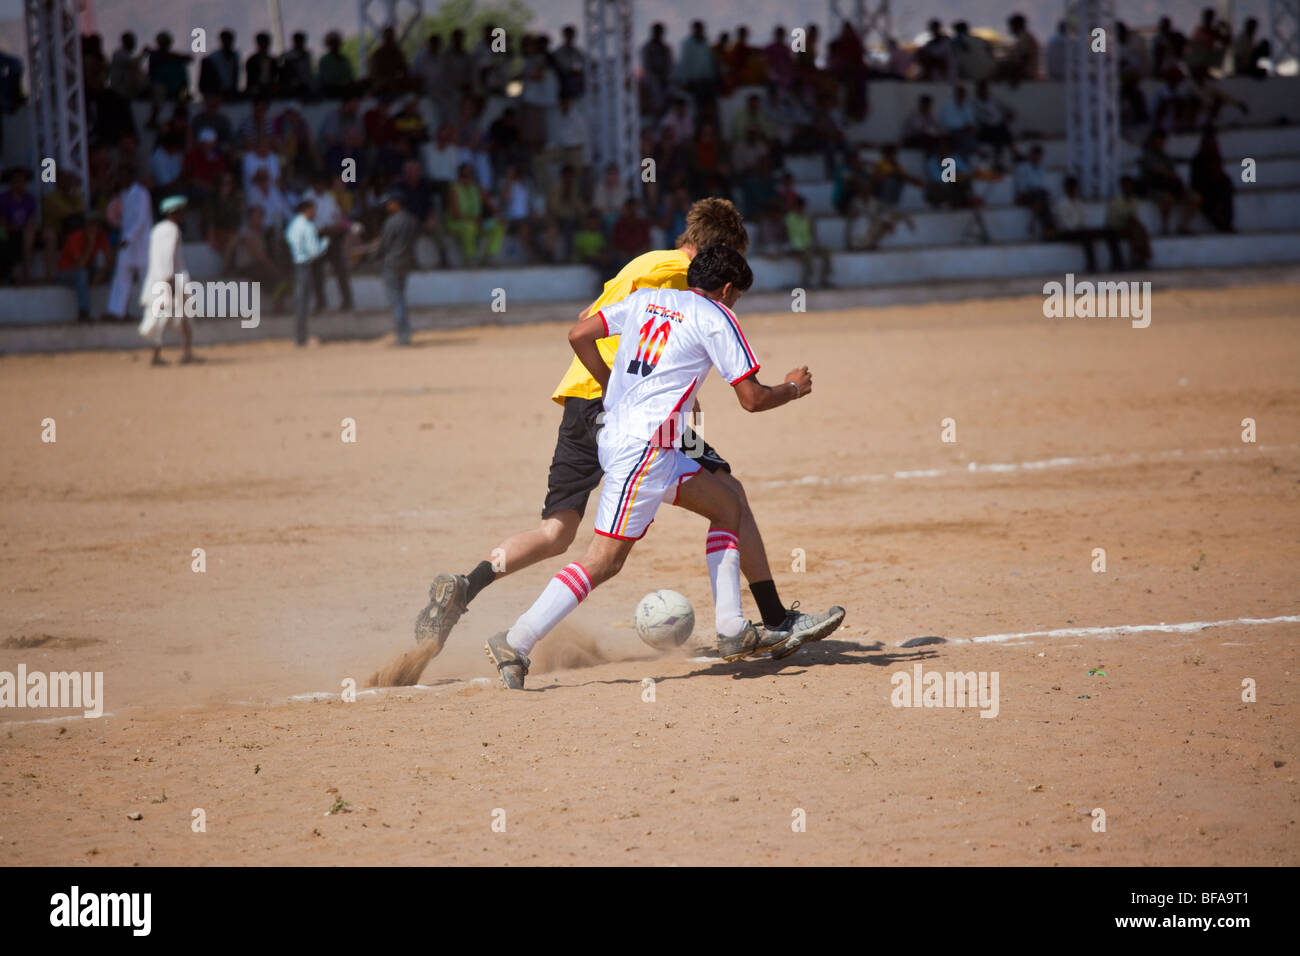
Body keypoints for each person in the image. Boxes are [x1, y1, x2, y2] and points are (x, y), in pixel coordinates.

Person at [413, 198, 844, 662]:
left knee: (557, 531)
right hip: (629, 407)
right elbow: (732, 382)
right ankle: (773, 619)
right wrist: (626, 386)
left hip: (583, 403)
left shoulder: (644, 265)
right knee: (718, 496)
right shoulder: (676, 277)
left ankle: (466, 585)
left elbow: (589, 321)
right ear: (715, 255)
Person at [484, 246, 825, 688]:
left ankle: (732, 630)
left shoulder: (650, 300)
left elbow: (578, 334)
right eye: (736, 296)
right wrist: (793, 388)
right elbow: (753, 399)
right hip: (643, 450)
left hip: (636, 441)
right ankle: (517, 640)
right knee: (604, 560)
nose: (734, 304)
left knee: (727, 505)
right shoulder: (717, 316)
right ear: (725, 289)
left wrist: (614, 390)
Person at [137, 195, 194, 365]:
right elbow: (167, 256)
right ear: (175, 213)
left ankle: (157, 355)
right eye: (181, 211)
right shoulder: (172, 230)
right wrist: (169, 280)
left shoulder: (157, 229)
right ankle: (186, 353)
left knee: (158, 319)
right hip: (171, 279)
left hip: (156, 280)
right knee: (182, 317)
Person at [105, 169, 153, 319]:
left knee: (146, 277)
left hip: (141, 242)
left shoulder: (141, 193)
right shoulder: (123, 195)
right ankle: (116, 311)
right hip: (127, 243)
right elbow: (125, 220)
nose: (120, 179)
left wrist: (128, 237)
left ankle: (152, 312)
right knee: (121, 274)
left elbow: (141, 218)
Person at [303, 172, 355, 311]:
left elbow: (337, 215)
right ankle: (321, 303)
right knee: (317, 272)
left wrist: (336, 226)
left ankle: (347, 301)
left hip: (332, 237)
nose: (320, 187)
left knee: (340, 269)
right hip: (316, 237)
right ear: (314, 185)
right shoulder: (308, 197)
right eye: (318, 184)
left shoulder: (328, 197)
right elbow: (308, 219)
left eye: (322, 184)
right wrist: (323, 228)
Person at [1052, 175, 1123, 271]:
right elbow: (1065, 224)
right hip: (1067, 233)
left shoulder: (1078, 202)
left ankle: (1117, 263)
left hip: (1080, 230)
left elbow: (1083, 220)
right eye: (1070, 187)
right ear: (1066, 188)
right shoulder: (1061, 204)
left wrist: (1083, 227)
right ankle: (1092, 265)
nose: (1073, 190)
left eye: (1074, 187)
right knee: (1087, 236)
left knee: (1109, 231)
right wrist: (1080, 227)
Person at [284, 198, 329, 346]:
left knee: (299, 301)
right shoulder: (307, 227)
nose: (315, 213)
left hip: (295, 264)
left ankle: (299, 337)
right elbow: (314, 252)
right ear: (307, 210)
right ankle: (300, 338)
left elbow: (289, 240)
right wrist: (325, 244)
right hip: (305, 265)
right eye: (313, 210)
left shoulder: (293, 224)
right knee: (302, 302)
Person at [374, 191, 416, 345]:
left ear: (397, 203)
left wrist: (372, 256)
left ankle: (403, 336)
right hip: (406, 264)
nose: (387, 206)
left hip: (391, 263)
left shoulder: (391, 222)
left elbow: (384, 245)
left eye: (389, 202)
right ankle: (405, 333)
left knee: (396, 301)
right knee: (401, 299)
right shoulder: (411, 220)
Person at [1138, 130, 1200, 234]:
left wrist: (1178, 183)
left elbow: (1172, 174)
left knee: (1196, 198)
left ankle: (1183, 226)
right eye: (1158, 141)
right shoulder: (1147, 156)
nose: (1160, 144)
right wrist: (1168, 174)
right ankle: (1165, 227)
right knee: (1168, 199)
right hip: (1155, 188)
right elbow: (1157, 170)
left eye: (1162, 141)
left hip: (1171, 187)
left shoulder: (1166, 157)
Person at [57, 212, 112, 321]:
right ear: (85, 226)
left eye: (97, 225)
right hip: (66, 272)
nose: (94, 228)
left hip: (87, 271)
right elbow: (80, 265)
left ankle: (116, 311)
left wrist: (102, 272)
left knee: (114, 272)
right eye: (91, 225)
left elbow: (109, 262)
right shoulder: (74, 238)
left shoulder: (101, 237)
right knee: (82, 275)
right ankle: (84, 312)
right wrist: (90, 245)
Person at [1190, 127, 1234, 232]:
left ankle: (1226, 221)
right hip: (1203, 190)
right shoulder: (1198, 160)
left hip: (1217, 189)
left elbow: (1220, 174)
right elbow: (1196, 181)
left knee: (1226, 188)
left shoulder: (1216, 156)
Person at [1105, 175, 1151, 269]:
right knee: (1138, 229)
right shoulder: (1116, 201)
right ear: (1122, 187)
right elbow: (1117, 219)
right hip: (1115, 228)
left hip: (1129, 228)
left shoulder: (1134, 200)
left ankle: (1139, 258)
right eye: (1126, 186)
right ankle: (1141, 257)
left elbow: (1132, 217)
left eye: (1129, 186)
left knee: (1138, 230)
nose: (1128, 188)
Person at [785, 195, 831, 288]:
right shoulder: (789, 218)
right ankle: (805, 282)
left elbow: (812, 233)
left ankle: (824, 279)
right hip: (796, 247)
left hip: (809, 245)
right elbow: (787, 235)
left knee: (826, 252)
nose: (800, 208)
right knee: (808, 255)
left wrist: (813, 244)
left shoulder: (808, 218)